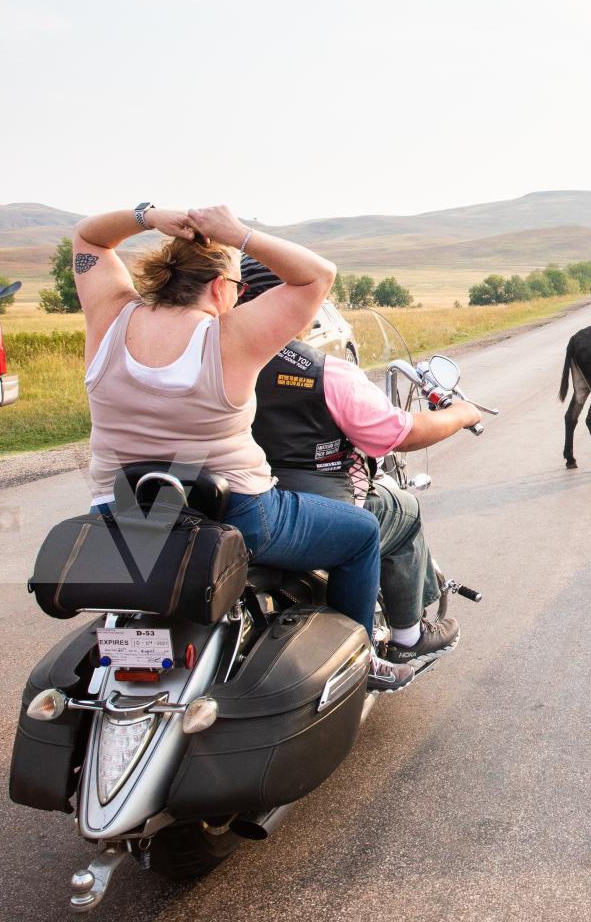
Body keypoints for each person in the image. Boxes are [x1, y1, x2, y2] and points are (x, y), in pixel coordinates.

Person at [72, 202, 418, 694]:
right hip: (238, 513)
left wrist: (150, 216)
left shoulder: (109, 318)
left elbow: (88, 238)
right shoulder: (228, 335)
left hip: (122, 513)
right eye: (236, 286)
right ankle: (359, 660)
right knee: (362, 532)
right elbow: (318, 275)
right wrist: (239, 234)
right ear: (219, 288)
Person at [239, 256, 481, 670]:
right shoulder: (325, 372)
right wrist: (461, 413)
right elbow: (400, 433)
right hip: (304, 511)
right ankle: (408, 635)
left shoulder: (213, 360)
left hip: (227, 502)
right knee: (401, 508)